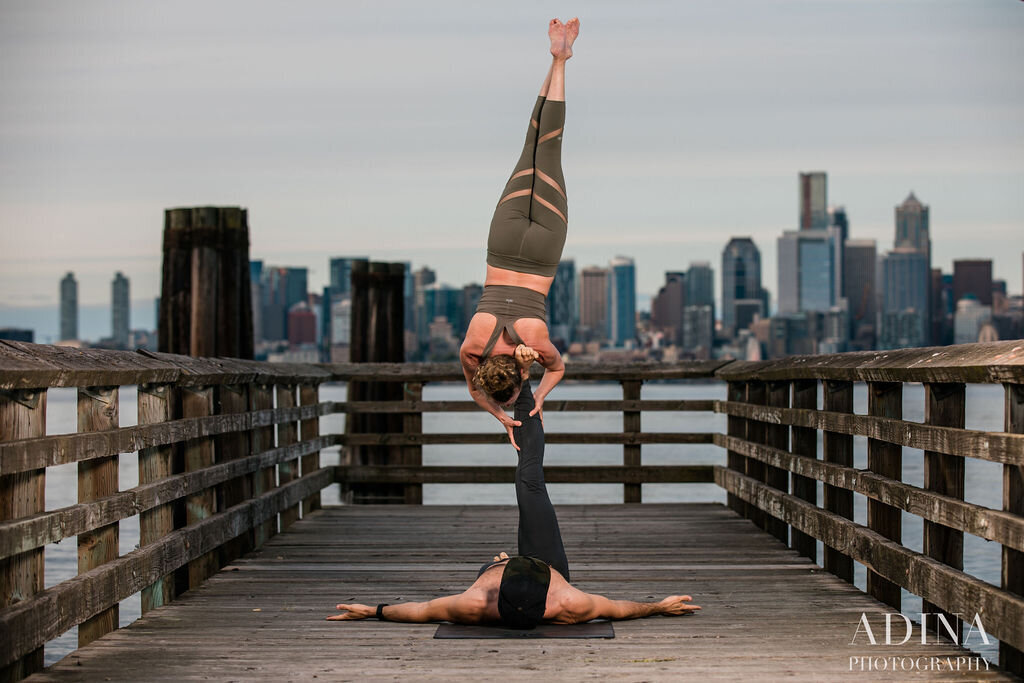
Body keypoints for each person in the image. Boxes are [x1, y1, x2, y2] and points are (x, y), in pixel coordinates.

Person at [326, 380, 701, 627]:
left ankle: (521, 388)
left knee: (527, 483)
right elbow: (621, 608)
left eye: (505, 564)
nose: (508, 558)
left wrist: (371, 610)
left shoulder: (474, 602)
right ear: (551, 590)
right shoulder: (570, 602)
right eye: (509, 561)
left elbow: (421, 610)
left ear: (496, 583)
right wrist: (659, 606)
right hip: (542, 574)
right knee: (529, 483)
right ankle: (522, 389)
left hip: (509, 588)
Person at [459, 18, 578, 451]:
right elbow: (475, 390)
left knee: (550, 147)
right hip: (504, 243)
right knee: (532, 144)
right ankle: (557, 58)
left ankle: (561, 61)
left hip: (544, 248)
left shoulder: (537, 342)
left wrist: (539, 396)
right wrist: (496, 412)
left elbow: (558, 371)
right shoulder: (472, 348)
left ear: (518, 376)